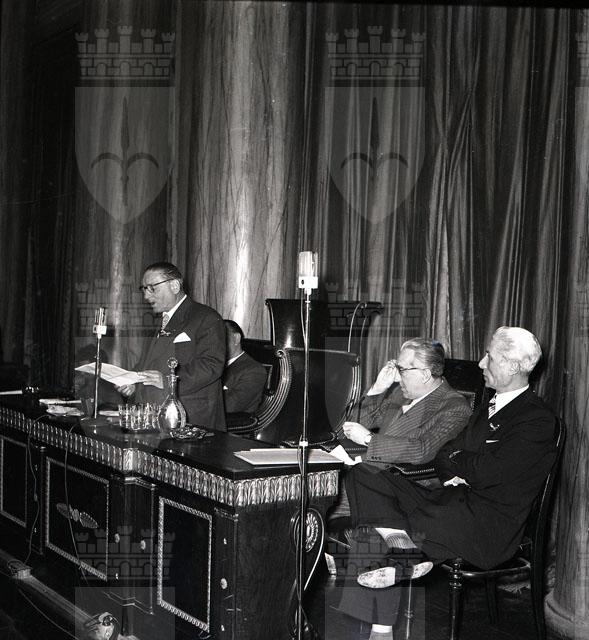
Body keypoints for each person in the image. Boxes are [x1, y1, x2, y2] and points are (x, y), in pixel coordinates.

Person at [337, 327, 558, 640]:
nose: (481, 363)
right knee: (365, 475)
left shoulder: (536, 418)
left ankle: (385, 616)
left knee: (387, 520)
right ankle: (403, 549)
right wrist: (458, 466)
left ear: (512, 366)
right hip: (452, 500)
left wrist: (460, 462)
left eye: (490, 357)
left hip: (486, 523)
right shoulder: (489, 406)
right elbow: (445, 455)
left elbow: (488, 472)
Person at [118, 262, 226, 430]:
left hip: (190, 419)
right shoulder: (158, 321)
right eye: (144, 289)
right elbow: (149, 362)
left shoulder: (206, 317)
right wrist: (133, 383)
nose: (146, 296)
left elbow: (211, 366)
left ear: (174, 285)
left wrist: (168, 381)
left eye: (152, 288)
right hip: (154, 416)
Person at [341, 337, 472, 467]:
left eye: (402, 370)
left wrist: (368, 439)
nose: (397, 378)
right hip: (367, 466)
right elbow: (354, 426)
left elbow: (421, 451)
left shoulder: (455, 408)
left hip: (396, 476)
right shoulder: (401, 393)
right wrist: (377, 389)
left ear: (425, 375)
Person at [222, 320, 267, 414]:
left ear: (236, 338)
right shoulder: (212, 365)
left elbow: (230, 406)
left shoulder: (254, 370)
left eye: (220, 338)